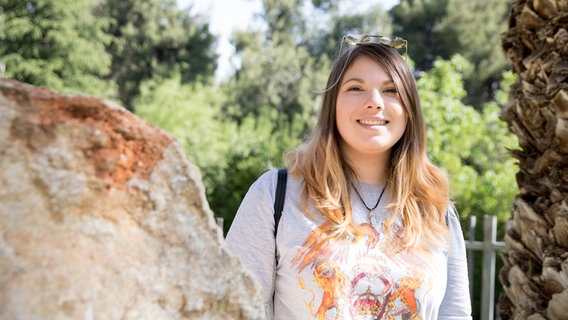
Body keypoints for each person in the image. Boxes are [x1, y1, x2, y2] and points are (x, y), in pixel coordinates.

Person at [225, 34, 472, 320]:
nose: (374, 102)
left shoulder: (435, 209)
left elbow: (455, 314)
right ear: (332, 107)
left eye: (391, 90)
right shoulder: (275, 194)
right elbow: (233, 309)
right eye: (356, 88)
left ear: (409, 111)